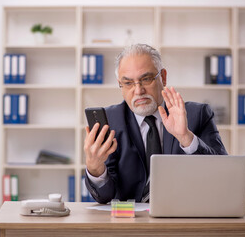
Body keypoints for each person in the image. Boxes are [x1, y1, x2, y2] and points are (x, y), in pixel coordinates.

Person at [84, 44, 227, 204]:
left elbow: (222, 175)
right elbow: (105, 197)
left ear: (163, 77)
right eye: (128, 83)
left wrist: (186, 138)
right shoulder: (111, 121)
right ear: (120, 84)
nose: (138, 91)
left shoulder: (197, 114)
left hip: (184, 218)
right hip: (129, 224)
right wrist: (95, 169)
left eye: (146, 79)